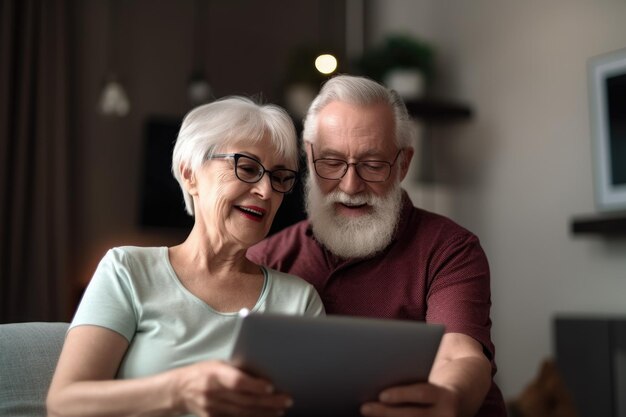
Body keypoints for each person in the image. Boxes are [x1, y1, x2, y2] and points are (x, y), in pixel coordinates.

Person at [47, 97, 324, 417]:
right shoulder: (127, 270)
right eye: (247, 168)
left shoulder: (300, 301)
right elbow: (63, 404)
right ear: (190, 174)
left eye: (278, 178)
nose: (266, 191)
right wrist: (180, 391)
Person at [247, 75, 506, 417]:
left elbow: (458, 354)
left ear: (403, 164)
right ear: (309, 160)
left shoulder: (450, 249)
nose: (351, 185)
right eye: (332, 162)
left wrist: (448, 399)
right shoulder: (267, 258)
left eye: (372, 165)